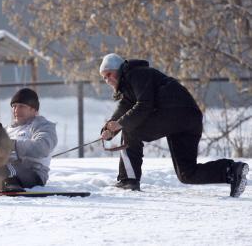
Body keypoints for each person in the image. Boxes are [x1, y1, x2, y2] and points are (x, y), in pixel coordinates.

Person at [99, 53, 249, 197]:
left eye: (109, 74)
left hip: (174, 112)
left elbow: (144, 105)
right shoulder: (129, 89)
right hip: (190, 118)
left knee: (130, 129)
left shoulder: (137, 74)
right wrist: (109, 130)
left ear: (120, 69)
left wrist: (120, 125)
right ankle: (231, 171)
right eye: (104, 77)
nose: (107, 79)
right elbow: (122, 112)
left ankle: (128, 180)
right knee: (187, 174)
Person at [0, 88, 58, 191]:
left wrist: (12, 144)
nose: (16, 110)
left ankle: (10, 185)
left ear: (34, 110)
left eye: (21, 106)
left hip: (33, 174)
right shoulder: (6, 130)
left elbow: (42, 147)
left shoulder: (43, 126)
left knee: (5, 169)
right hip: (7, 170)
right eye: (14, 106)